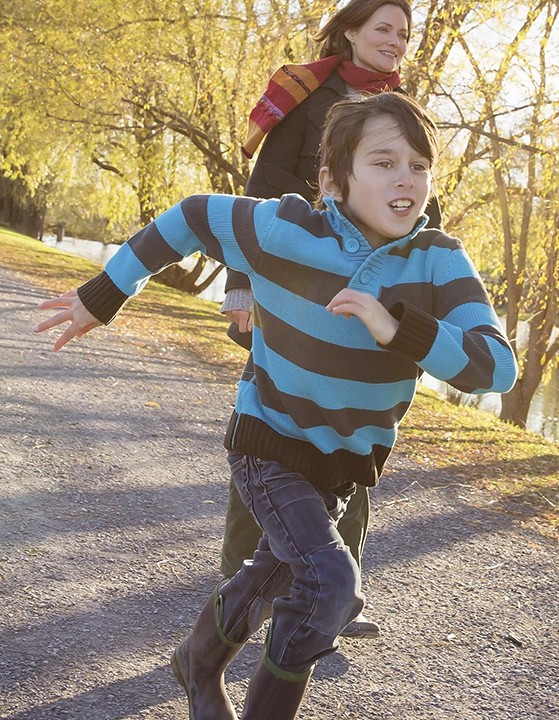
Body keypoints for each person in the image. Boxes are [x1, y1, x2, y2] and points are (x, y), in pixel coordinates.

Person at [35, 91, 517, 719]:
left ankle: (196, 663)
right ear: (333, 181)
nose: (406, 178)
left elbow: (496, 368)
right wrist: (105, 293)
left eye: (419, 165)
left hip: (343, 464)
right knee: (330, 587)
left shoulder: (439, 262)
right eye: (383, 161)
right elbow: (188, 218)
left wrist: (400, 330)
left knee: (273, 576)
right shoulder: (284, 230)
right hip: (268, 439)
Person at [224, 0, 441, 639]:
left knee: (356, 434)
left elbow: (418, 200)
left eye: (404, 34)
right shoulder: (305, 94)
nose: (396, 42)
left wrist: (422, 297)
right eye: (384, 29)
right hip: (293, 291)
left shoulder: (399, 114)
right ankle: (243, 576)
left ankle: (340, 588)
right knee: (272, 425)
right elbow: (259, 193)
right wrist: (241, 283)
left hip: (371, 297)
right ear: (350, 32)